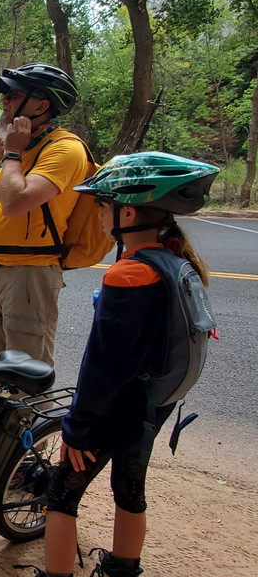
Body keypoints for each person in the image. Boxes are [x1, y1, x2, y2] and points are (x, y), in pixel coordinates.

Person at [34, 152, 220, 577]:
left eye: (103, 205)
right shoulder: (175, 262)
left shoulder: (129, 274)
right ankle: (122, 570)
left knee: (62, 493)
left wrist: (78, 427)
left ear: (129, 211)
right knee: (129, 489)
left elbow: (104, 367)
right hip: (153, 405)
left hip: (119, 407)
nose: (99, 215)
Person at [0, 63, 85, 391]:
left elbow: (15, 202)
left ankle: (29, 442)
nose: (5, 100)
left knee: (24, 374)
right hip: (3, 272)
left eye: (15, 94)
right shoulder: (22, 151)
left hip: (31, 274)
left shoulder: (64, 148)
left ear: (42, 105)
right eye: (5, 94)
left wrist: (11, 152)